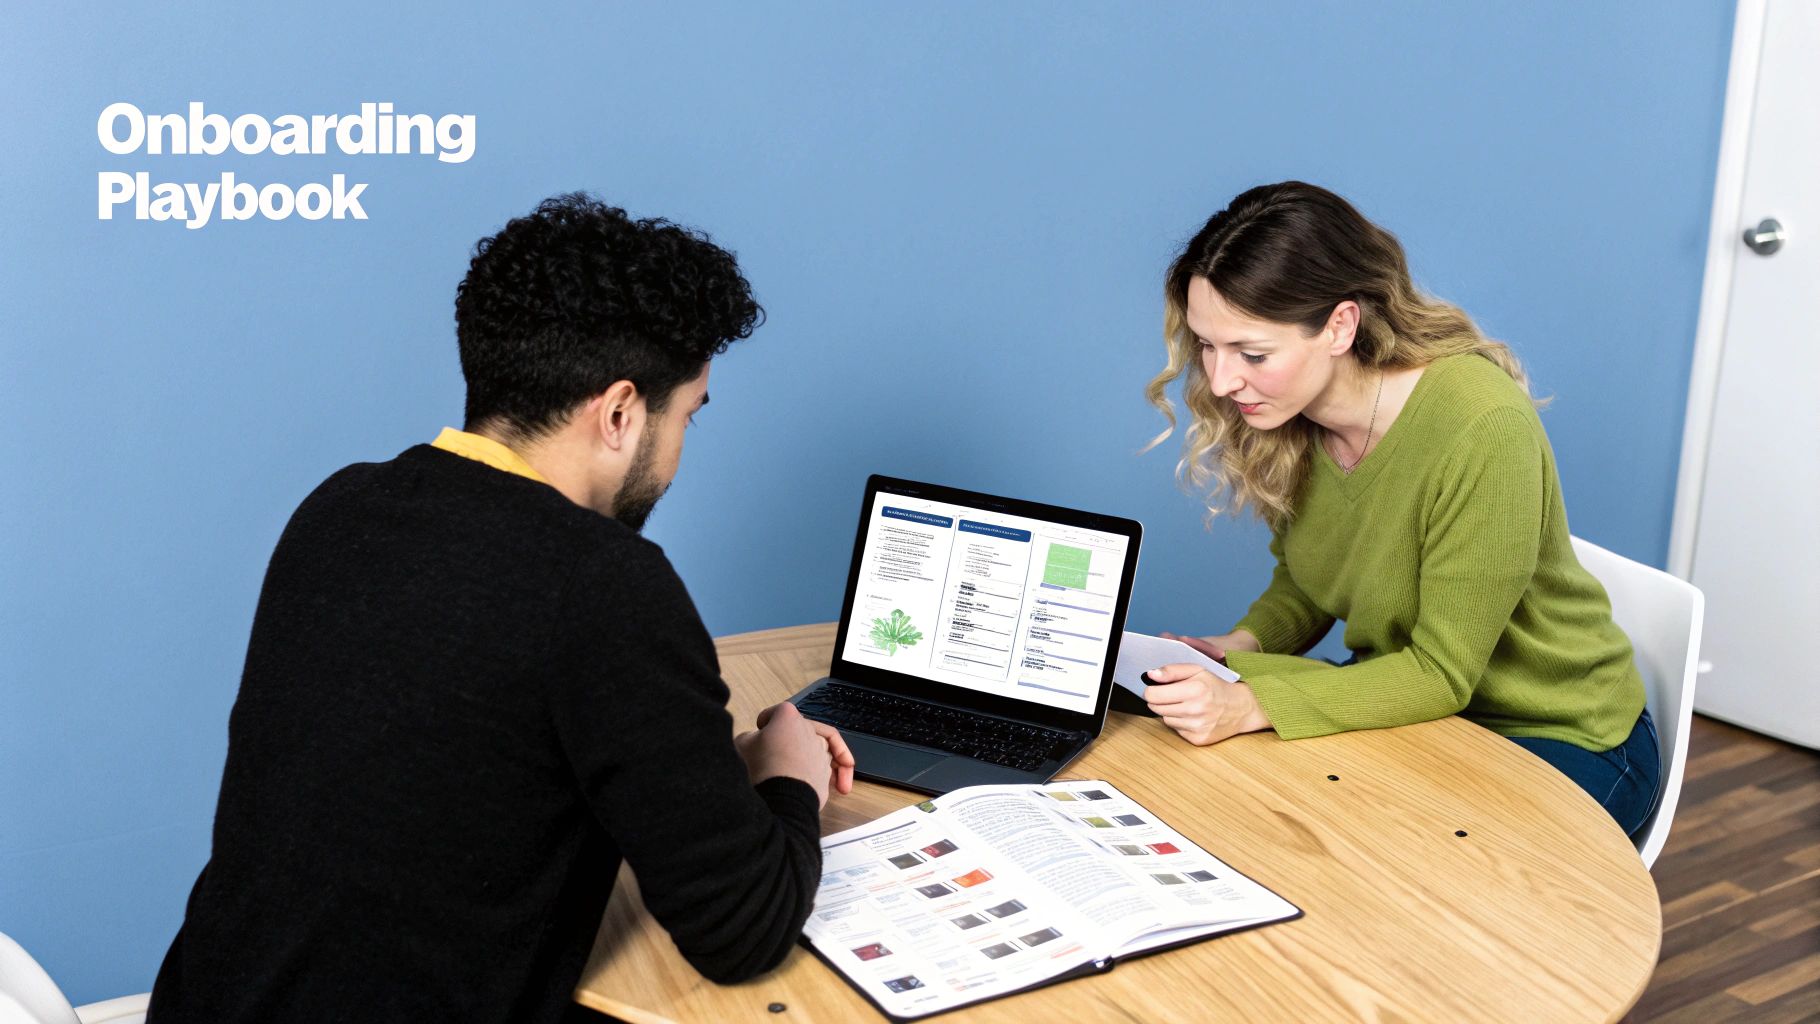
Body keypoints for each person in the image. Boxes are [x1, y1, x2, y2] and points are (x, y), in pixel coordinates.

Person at [147, 193, 854, 1023]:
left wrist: (699, 779)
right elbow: (741, 930)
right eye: (687, 417)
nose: (677, 455)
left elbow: (469, 768)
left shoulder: (337, 510)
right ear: (622, 412)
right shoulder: (602, 583)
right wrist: (788, 777)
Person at [1138, 181, 1659, 835]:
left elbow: (1441, 673)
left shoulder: (1480, 423)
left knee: (1399, 878)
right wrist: (1230, 648)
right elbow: (1311, 578)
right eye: (1207, 346)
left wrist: (1247, 705)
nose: (1219, 380)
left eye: (1252, 353)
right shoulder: (1288, 419)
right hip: (1418, 709)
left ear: (1339, 326)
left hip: (1559, 732)